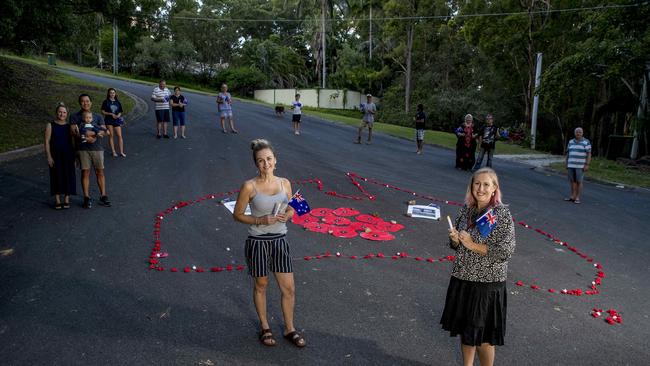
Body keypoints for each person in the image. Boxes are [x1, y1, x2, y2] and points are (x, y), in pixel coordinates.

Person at [232, 139, 306, 348]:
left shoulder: (285, 183)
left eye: (269, 159)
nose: (266, 164)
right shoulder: (249, 186)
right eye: (261, 161)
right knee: (261, 285)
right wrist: (260, 220)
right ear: (256, 164)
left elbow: (293, 207)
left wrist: (288, 215)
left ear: (276, 160)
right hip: (257, 242)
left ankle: (289, 328)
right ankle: (265, 327)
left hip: (280, 241)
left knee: (289, 288)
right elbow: (237, 215)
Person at [442, 167, 516, 366]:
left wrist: (471, 244)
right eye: (477, 183)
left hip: (486, 284)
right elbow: (456, 245)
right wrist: (455, 240)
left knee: (482, 337)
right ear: (471, 186)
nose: (480, 188)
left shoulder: (501, 215)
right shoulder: (466, 210)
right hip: (462, 278)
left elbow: (505, 251)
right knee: (466, 332)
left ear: (494, 188)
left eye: (486, 184)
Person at [70, 94, 111, 209]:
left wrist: (92, 135)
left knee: (100, 172)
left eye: (87, 101)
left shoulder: (98, 116)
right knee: (85, 173)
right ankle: (86, 198)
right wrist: (75, 152)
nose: (85, 103)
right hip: (82, 150)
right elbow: (73, 133)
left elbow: (104, 131)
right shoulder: (74, 116)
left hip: (97, 149)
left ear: (91, 103)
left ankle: (103, 195)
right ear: (80, 103)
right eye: (83, 101)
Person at [44, 103, 76, 209]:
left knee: (68, 175)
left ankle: (67, 199)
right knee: (56, 175)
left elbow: (72, 142)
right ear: (56, 112)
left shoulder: (69, 127)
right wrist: (49, 156)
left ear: (67, 114)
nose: (62, 114)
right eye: (60, 112)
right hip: (55, 155)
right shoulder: (50, 125)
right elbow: (47, 141)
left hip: (68, 154)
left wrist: (75, 156)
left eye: (64, 112)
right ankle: (57, 200)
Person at [564, 127, 592, 204]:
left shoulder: (586, 142)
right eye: (577, 132)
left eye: (580, 132)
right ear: (574, 133)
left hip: (580, 166)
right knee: (572, 181)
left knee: (579, 181)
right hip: (571, 165)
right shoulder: (570, 142)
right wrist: (566, 163)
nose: (578, 133)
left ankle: (577, 197)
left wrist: (587, 164)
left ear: (582, 133)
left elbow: (589, 154)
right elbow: (568, 153)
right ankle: (572, 196)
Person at [101, 88, 126, 157]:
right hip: (109, 120)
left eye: (113, 93)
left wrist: (118, 115)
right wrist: (111, 114)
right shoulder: (106, 102)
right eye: (111, 93)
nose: (112, 94)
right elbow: (102, 111)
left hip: (116, 120)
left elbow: (120, 111)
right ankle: (113, 151)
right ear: (108, 93)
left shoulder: (117, 102)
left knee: (119, 135)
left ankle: (121, 152)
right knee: (111, 135)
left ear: (115, 94)